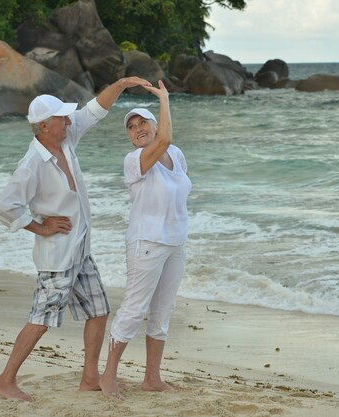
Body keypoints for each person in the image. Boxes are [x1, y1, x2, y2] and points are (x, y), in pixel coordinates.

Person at [0, 76, 152, 402]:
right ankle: (6, 380)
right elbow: (6, 207)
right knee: (41, 320)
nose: (68, 120)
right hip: (57, 255)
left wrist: (122, 83)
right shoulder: (32, 164)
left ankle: (89, 378)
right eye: (61, 118)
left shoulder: (66, 138)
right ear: (43, 126)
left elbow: (95, 110)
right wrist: (40, 227)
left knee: (98, 310)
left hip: (80, 249)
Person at [99, 80, 191, 400]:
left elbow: (178, 185)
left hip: (175, 243)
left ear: (152, 125)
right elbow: (165, 139)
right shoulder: (133, 161)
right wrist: (164, 98)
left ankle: (152, 377)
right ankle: (108, 375)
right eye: (131, 126)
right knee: (134, 309)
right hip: (146, 243)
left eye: (142, 123)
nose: (137, 129)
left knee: (162, 311)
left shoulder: (176, 156)